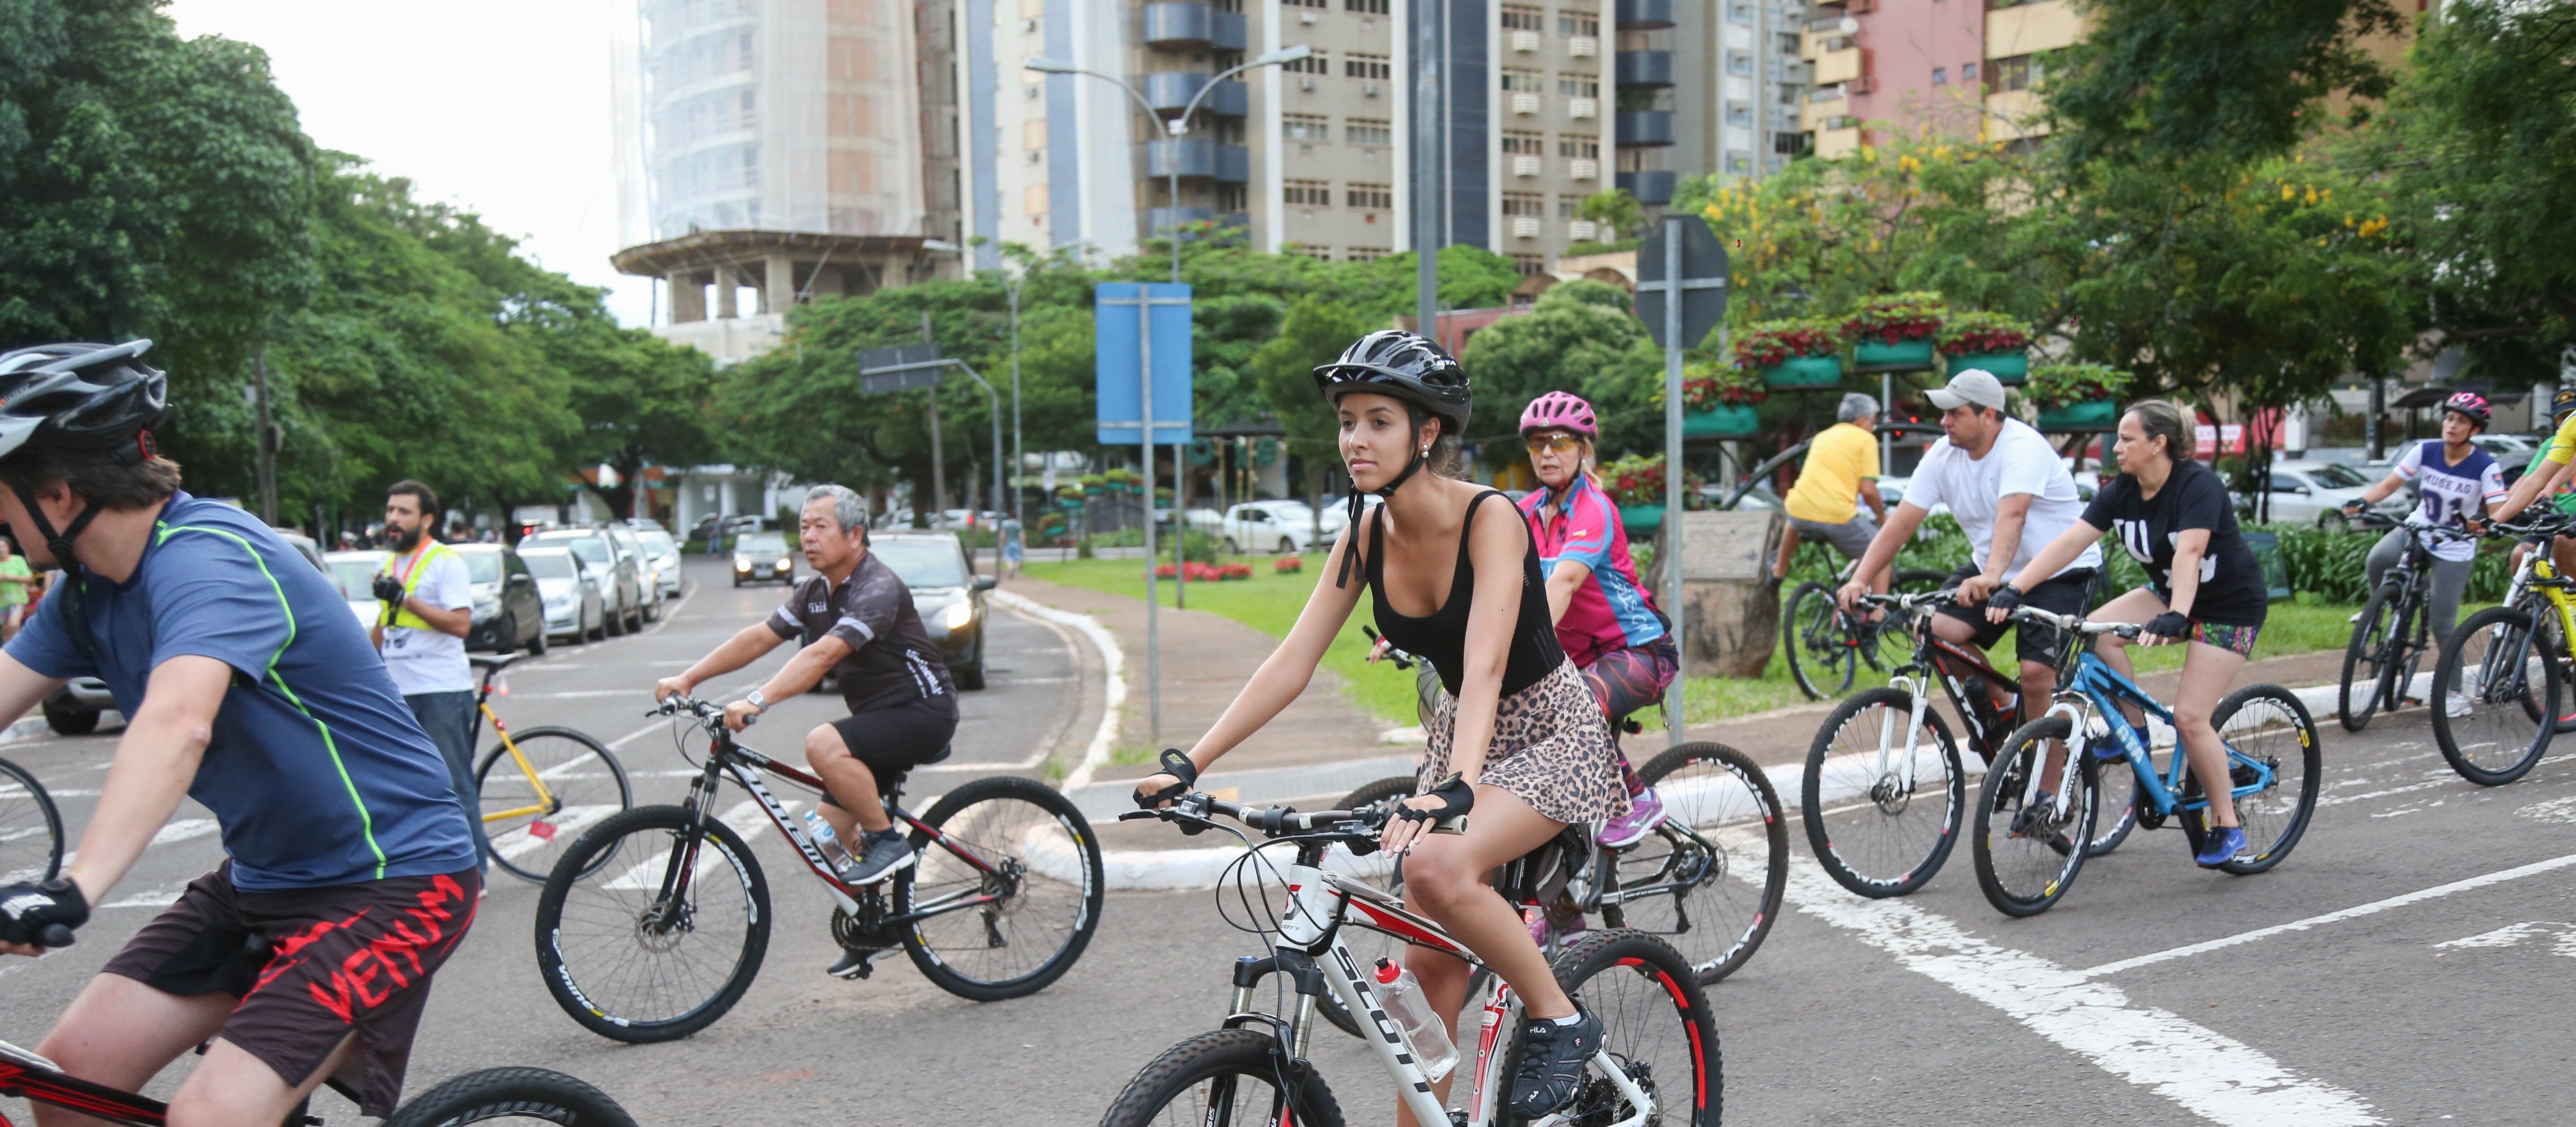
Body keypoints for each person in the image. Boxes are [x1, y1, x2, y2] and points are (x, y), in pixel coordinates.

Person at [1134, 331, 1623, 1123]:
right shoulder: (1365, 535)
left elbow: (1488, 664)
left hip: (1547, 733)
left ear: (1426, 433)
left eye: (1378, 422)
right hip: (1460, 744)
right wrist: (1191, 763)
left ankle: (1560, 1017)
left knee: (1432, 871)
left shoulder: (1491, 518)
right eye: (1347, 421)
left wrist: (1457, 786)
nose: (1355, 439)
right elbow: (1289, 665)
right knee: (1427, 976)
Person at [0, 340, 479, 1127]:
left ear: (55, 494)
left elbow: (178, 721)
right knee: (68, 1085)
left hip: (397, 882)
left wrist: (75, 887)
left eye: (1, 497)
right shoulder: (88, 594)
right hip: (262, 883)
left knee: (207, 1120)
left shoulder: (210, 559)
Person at [653, 484, 957, 979]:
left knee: (821, 743)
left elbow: (822, 655)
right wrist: (690, 678)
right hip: (877, 723)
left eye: (821, 526)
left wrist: (758, 700)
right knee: (824, 837)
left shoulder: (876, 588)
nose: (808, 537)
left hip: (923, 712)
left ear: (856, 536)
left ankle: (886, 840)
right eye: (803, 527)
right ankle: (875, 927)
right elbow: (759, 637)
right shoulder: (817, 593)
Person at [1991, 399, 2271, 867]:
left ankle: (2227, 825)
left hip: (2227, 607)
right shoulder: (2122, 490)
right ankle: (2134, 734)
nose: (2116, 448)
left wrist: (2180, 613)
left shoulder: (2197, 486)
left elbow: (2191, 552)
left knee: (2190, 717)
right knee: (2099, 635)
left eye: (2127, 439)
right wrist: (2016, 588)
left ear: (2159, 443)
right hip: (2169, 596)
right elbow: (2070, 542)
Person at [1837, 369, 2102, 727]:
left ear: (1988, 415)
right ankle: (2006, 705)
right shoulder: (1943, 456)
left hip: (2059, 571)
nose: (1945, 422)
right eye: (1944, 414)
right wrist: (1862, 579)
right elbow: (1900, 525)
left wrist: (1992, 577)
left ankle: (2045, 783)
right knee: (1933, 631)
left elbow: (2013, 514)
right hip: (1994, 569)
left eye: (1956, 413)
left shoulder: (2022, 447)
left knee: (2038, 674)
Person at [1512, 391, 1673, 864]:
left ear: (1584, 450)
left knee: (1572, 699)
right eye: (1537, 443)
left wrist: (1515, 643)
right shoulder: (1522, 514)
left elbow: (1561, 586)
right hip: (1573, 659)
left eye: (1560, 441)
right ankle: (1562, 908)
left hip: (1642, 652)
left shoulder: (1593, 510)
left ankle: (1638, 798)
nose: (1547, 453)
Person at [2339, 391, 2502, 716]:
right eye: (2449, 418)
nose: (2452, 426)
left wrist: (2485, 523)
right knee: (2378, 559)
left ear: (2475, 430)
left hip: (2455, 544)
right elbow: (2389, 485)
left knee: (2444, 624)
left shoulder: (2485, 465)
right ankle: (2378, 611)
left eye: (2461, 422)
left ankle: (2454, 693)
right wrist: (2364, 502)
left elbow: (2498, 510)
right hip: (2420, 528)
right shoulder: (2425, 450)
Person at [369, 481, 488, 874]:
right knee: (399, 787)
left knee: (452, 784)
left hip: (440, 690)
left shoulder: (445, 562)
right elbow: (386, 625)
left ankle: (475, 871)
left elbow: (460, 624)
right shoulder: (390, 563)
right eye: (390, 511)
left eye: (403, 512)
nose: (393, 519)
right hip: (397, 690)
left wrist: (406, 599)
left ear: (427, 519)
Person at [1774, 392, 1891, 592]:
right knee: (1882, 552)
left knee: (1794, 521)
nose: (1873, 427)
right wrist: (1883, 519)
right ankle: (1877, 616)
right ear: (1863, 421)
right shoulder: (1865, 439)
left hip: (1799, 510)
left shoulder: (1823, 436)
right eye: (1873, 421)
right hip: (1836, 516)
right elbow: (1869, 492)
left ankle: (1778, 570)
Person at [0, 535, 32, 640]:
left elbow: (29, 579)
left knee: (13, 625)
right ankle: (7, 652)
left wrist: (10, 577)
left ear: (9, 547)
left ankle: (17, 648)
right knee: (5, 629)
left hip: (18, 599)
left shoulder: (18, 560)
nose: (1, 550)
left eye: (3, 546)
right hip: (1, 602)